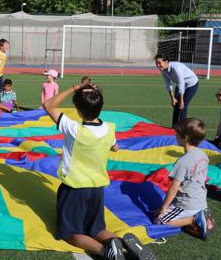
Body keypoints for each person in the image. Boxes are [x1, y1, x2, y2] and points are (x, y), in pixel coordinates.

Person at [43, 83, 154, 260]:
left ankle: (105, 251)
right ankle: (124, 244)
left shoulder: (74, 129)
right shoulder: (109, 128)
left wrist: (75, 87)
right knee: (97, 229)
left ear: (78, 110)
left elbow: (48, 105)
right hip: (96, 189)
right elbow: (115, 147)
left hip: (75, 188)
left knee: (70, 233)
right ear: (100, 107)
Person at [155, 118, 215, 240]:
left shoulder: (183, 162)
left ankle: (193, 219)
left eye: (177, 133)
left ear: (185, 138)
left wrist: (163, 208)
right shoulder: (203, 155)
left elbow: (173, 189)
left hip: (187, 204)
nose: (175, 135)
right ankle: (197, 214)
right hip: (200, 200)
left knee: (159, 222)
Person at [154, 53, 199, 127]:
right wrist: (172, 98)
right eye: (156, 63)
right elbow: (168, 84)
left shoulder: (176, 68)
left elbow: (181, 83)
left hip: (191, 84)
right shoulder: (163, 70)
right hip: (180, 85)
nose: (158, 65)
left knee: (183, 106)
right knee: (176, 105)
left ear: (166, 61)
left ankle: (182, 128)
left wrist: (181, 100)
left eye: (159, 63)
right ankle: (174, 127)